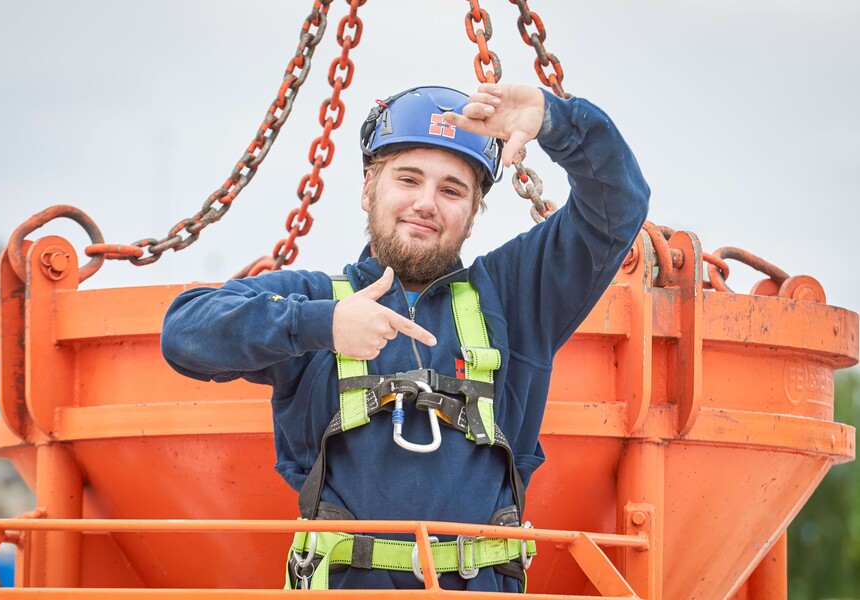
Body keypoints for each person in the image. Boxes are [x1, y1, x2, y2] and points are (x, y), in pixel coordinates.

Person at [161, 82, 650, 591]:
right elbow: (184, 332)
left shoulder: (516, 299)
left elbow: (619, 208)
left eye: (451, 189)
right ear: (368, 187)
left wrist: (556, 120)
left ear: (474, 211)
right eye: (408, 179)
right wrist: (320, 324)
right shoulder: (312, 298)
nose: (426, 203)